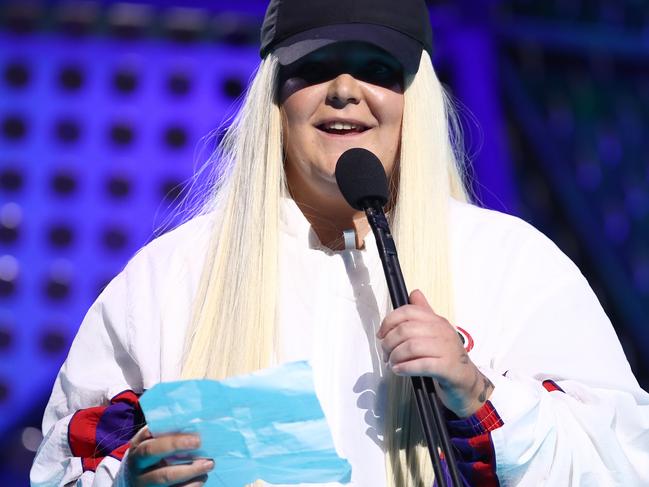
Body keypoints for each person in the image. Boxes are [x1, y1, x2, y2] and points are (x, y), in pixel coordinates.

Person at [31, 0, 649, 486]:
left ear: (415, 100)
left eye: (379, 69)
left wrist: (480, 393)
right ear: (275, 100)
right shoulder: (170, 278)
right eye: (316, 67)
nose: (346, 89)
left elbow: (622, 462)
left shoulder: (512, 265)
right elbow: (65, 461)